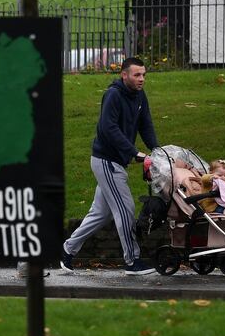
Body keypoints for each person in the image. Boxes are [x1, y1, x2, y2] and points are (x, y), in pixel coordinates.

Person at [61, 57, 159, 275]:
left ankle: (67, 249)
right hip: (106, 161)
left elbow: (146, 125)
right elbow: (108, 128)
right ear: (124, 75)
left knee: (101, 214)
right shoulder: (113, 95)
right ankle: (132, 261)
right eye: (137, 75)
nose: (141, 79)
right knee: (125, 209)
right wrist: (134, 153)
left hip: (116, 162)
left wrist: (158, 151)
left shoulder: (139, 95)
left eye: (144, 75)